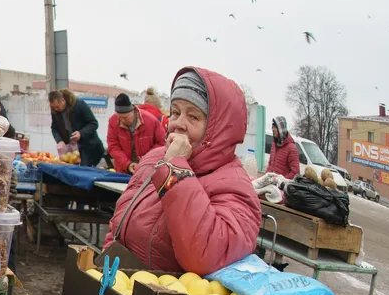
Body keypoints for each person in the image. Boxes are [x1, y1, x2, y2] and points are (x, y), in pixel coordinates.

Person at [104, 67, 262, 274]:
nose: (178, 124)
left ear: (219, 128)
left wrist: (175, 169)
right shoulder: (153, 158)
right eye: (176, 112)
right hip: (119, 283)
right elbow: (118, 225)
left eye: (193, 116)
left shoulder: (235, 187)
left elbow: (204, 255)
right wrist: (102, 268)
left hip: (165, 293)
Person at [107, 93, 166, 174]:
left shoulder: (151, 121)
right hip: (123, 169)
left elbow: (162, 143)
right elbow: (113, 146)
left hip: (147, 168)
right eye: (120, 117)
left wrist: (145, 159)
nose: (123, 120)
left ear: (132, 111)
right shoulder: (113, 121)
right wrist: (128, 164)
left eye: (126, 117)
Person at [48, 89, 105, 168]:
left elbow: (93, 123)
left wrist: (81, 133)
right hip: (70, 150)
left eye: (57, 107)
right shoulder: (55, 111)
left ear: (63, 100)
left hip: (88, 148)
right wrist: (59, 140)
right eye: (53, 107)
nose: (56, 109)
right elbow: (54, 128)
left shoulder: (79, 105)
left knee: (83, 171)